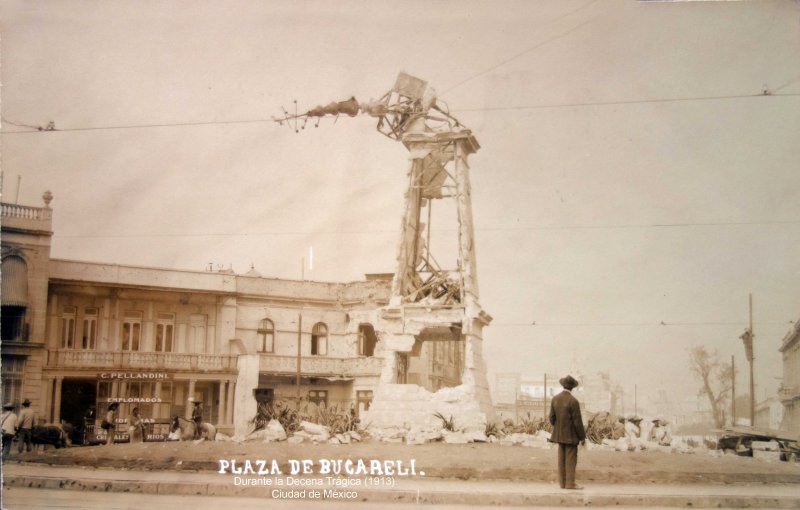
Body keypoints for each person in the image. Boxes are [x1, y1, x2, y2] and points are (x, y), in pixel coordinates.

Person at [548, 375, 586, 490]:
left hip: (559, 435)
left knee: (561, 459)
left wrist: (559, 427)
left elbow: (551, 418)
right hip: (571, 436)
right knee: (570, 460)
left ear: (563, 385)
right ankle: (570, 484)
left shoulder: (555, 399)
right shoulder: (573, 401)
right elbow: (577, 422)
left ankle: (562, 484)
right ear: (572, 388)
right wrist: (582, 437)